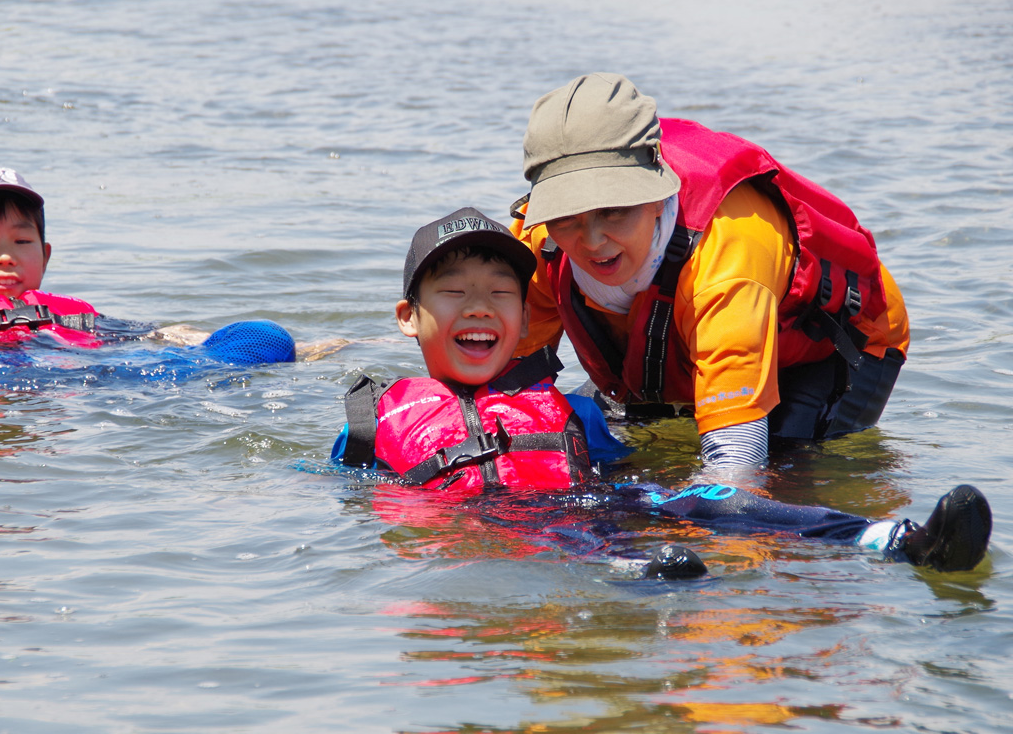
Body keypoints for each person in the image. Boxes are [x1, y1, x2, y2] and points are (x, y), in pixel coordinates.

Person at [332, 207, 989, 575]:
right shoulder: (375, 416)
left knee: (712, 499)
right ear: (407, 317)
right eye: (453, 294)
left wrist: (685, 488)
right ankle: (646, 575)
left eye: (500, 294)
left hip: (590, 512)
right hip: (485, 531)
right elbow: (339, 489)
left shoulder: (573, 413)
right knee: (601, 553)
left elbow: (627, 472)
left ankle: (897, 539)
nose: (479, 309)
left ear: (526, 310)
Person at [509, 73, 910, 471]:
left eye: (613, 210)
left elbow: (735, 462)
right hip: (668, 340)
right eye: (567, 217)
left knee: (783, 470)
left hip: (828, 346)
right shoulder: (540, 241)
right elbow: (504, 383)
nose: (592, 241)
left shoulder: (729, 262)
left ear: (656, 195)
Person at [0, 166, 297, 373]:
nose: (5, 256)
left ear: (46, 256)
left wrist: (327, 347)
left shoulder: (73, 315)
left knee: (264, 338)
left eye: (22, 241)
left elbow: (163, 336)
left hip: (98, 380)